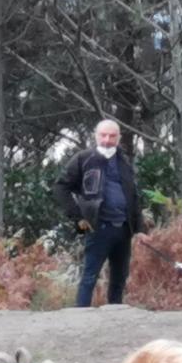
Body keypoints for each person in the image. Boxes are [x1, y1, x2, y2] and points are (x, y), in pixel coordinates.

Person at [54, 119, 144, 308]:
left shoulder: (125, 162)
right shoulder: (83, 158)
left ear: (118, 138)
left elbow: (134, 196)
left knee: (119, 278)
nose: (107, 140)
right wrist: (78, 217)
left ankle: (114, 318)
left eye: (112, 136)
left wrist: (139, 228)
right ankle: (81, 318)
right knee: (89, 277)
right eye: (103, 135)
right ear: (96, 136)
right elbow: (60, 187)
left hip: (123, 230)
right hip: (98, 227)